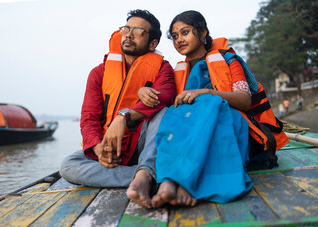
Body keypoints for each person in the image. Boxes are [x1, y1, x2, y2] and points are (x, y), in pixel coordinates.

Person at [139, 10, 287, 208]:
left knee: (209, 105)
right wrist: (143, 90)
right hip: (193, 128)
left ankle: (186, 184)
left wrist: (206, 92)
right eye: (175, 36)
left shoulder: (229, 60)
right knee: (172, 116)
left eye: (185, 32)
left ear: (202, 33)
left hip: (233, 124)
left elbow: (244, 100)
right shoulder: (177, 72)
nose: (179, 40)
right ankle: (169, 181)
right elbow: (165, 98)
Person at [60, 9, 176, 209]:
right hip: (112, 151)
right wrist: (99, 149)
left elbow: (165, 95)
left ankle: (146, 170)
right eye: (126, 29)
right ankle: (146, 176)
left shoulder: (162, 68)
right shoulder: (99, 73)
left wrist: (123, 117)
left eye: (138, 31)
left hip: (142, 146)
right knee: (68, 166)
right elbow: (88, 118)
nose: (129, 34)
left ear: (153, 43)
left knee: (163, 112)